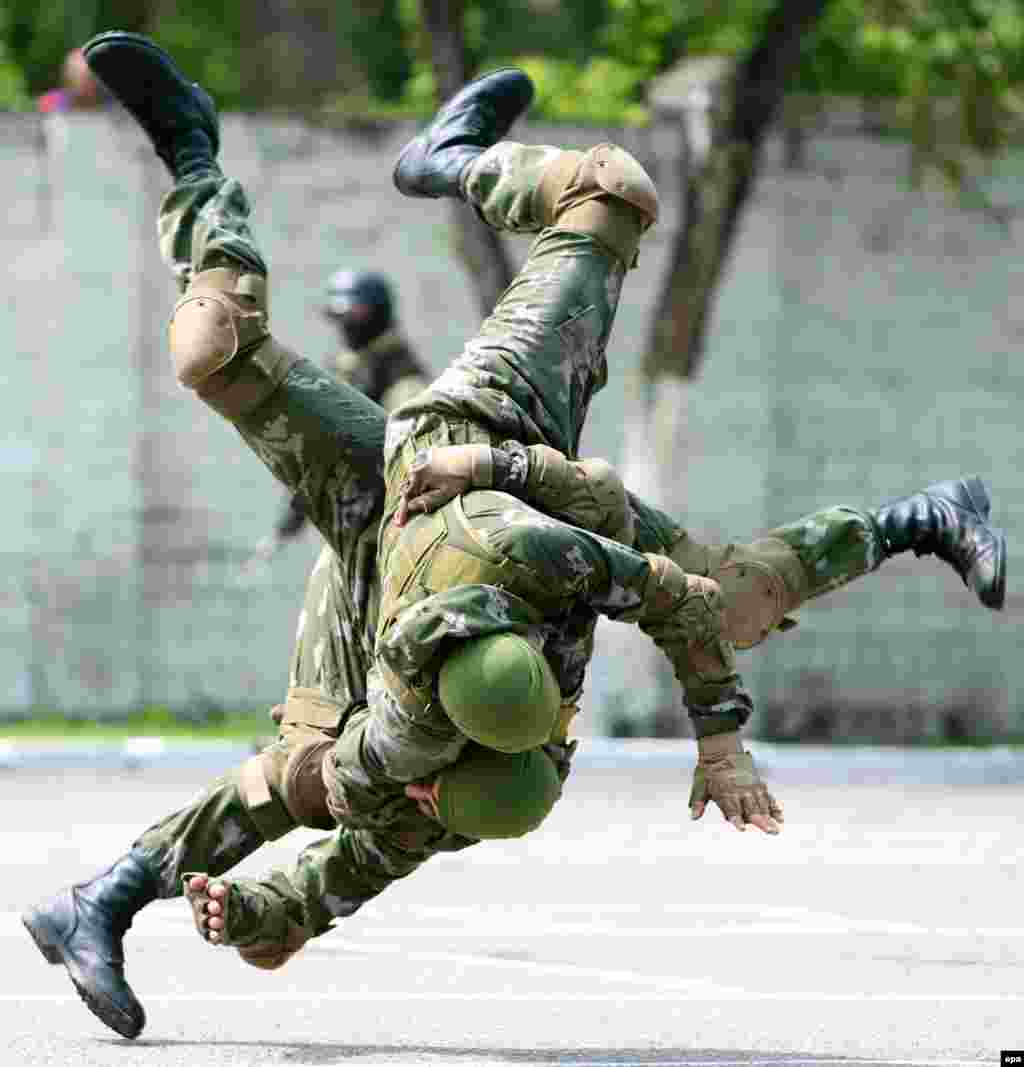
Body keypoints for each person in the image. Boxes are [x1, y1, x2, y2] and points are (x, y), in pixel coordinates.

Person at [21, 31, 1005, 1042]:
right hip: (498, 469)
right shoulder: (527, 623)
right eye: (437, 777)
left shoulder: (441, 744)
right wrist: (720, 739)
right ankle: (235, 158)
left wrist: (270, 910)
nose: (423, 785)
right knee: (224, 340)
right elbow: (659, 578)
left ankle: (98, 896)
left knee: (301, 771)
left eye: (432, 779)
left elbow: (316, 830)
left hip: (409, 511)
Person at [266, 269, 430, 553]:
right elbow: (317, 453)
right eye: (340, 318)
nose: (346, 327)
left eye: (355, 315)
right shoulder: (346, 367)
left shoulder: (403, 381)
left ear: (377, 313)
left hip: (392, 527)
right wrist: (289, 524)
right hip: (350, 526)